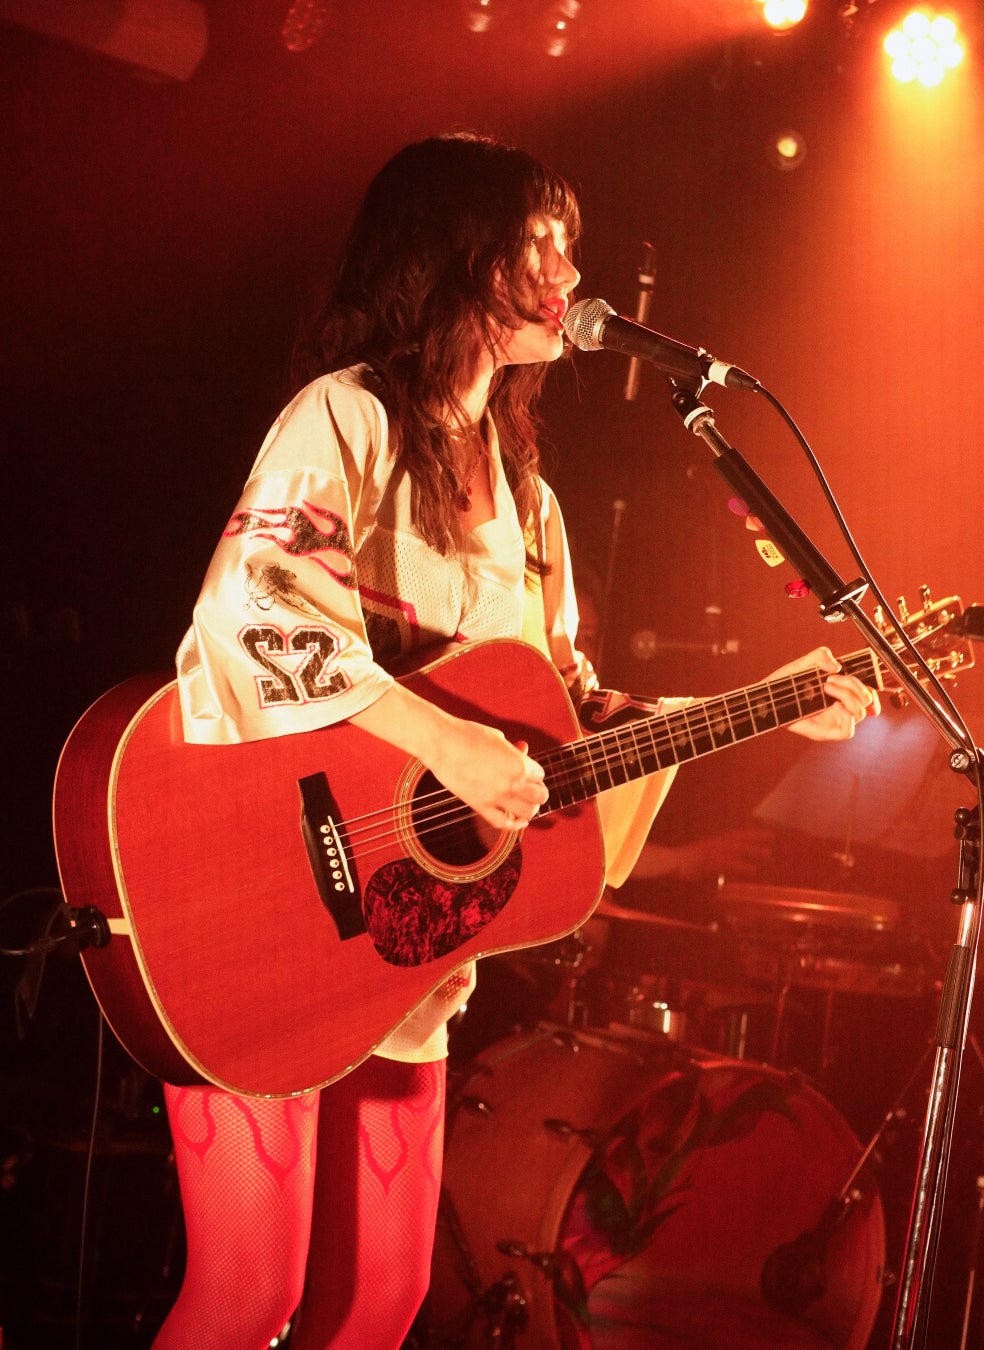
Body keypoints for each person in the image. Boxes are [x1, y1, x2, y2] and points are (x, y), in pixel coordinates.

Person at [152, 132, 881, 1349]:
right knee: (247, 1302)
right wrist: (437, 740)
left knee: (378, 1302)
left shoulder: (530, 506)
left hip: (403, 957)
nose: (570, 272)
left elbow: (566, 722)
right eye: (544, 240)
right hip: (258, 903)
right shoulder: (347, 416)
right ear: (460, 254)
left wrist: (762, 703)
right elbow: (257, 603)